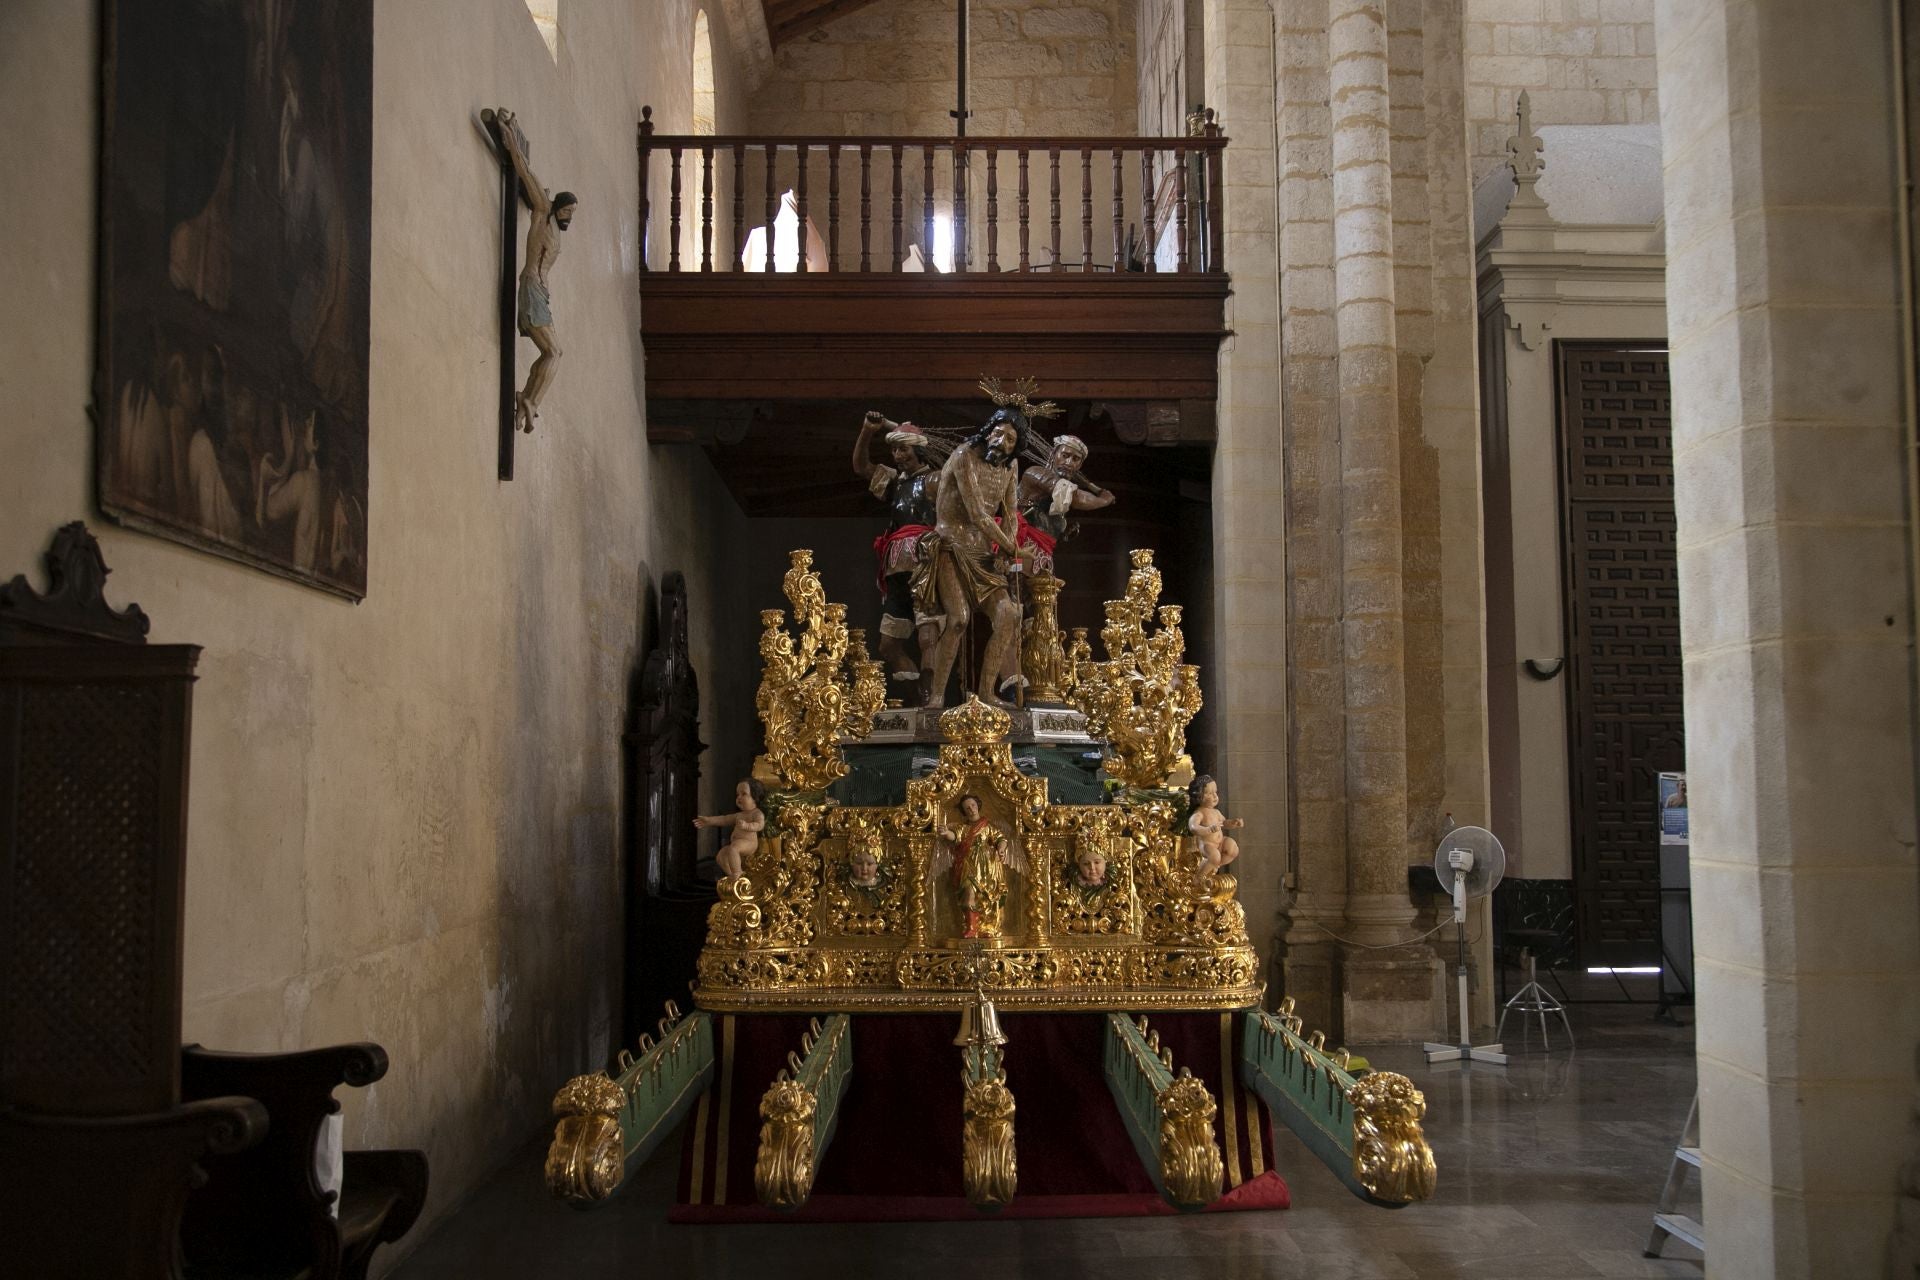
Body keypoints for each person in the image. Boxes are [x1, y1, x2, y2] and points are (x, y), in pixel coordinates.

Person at [913, 408, 1031, 707]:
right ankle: (937, 697)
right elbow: (978, 513)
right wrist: (1011, 548)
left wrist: (1009, 544)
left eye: (1010, 439)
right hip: (951, 546)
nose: (1001, 441)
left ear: (1015, 447)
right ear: (988, 430)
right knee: (958, 620)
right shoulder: (964, 454)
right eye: (998, 431)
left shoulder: (1010, 468)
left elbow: (1011, 513)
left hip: (982, 553)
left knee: (1008, 614)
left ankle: (988, 693)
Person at [493, 108, 576, 434]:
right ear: (556, 206)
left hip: (541, 293)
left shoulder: (556, 230)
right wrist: (510, 134)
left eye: (572, 212)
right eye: (567, 209)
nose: (569, 215)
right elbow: (525, 172)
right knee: (553, 352)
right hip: (530, 287)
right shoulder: (542, 212)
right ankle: (530, 401)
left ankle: (527, 399)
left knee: (555, 353)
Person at [852, 412, 941, 701]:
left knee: (928, 635)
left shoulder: (933, 480)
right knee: (888, 645)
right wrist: (868, 430)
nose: (897, 455)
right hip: (895, 568)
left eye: (903, 448)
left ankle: (929, 696)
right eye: (894, 449)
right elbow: (861, 465)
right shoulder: (894, 482)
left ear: (918, 450)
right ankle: (915, 690)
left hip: (926, 562)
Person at [1017, 434, 1116, 575]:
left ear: (1080, 465)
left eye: (1075, 459)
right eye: (1065, 455)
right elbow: (1075, 497)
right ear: (1053, 454)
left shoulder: (1058, 498)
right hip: (1021, 549)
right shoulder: (1035, 473)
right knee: (1016, 593)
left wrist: (1062, 532)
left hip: (1042, 555)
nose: (1069, 462)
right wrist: (1104, 500)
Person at [938, 794, 1015, 939]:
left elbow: (1001, 839)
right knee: (968, 898)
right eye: (967, 808)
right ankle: (971, 928)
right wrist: (946, 832)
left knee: (988, 898)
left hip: (988, 867)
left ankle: (987, 927)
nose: (971, 809)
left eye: (973, 805)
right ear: (964, 811)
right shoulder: (963, 828)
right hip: (969, 867)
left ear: (977, 805)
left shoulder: (988, 826)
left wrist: (1001, 849)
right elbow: (954, 836)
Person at [694, 778, 768, 882]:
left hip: (749, 843)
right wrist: (709, 821)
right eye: (737, 795)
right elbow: (724, 819)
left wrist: (747, 826)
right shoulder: (739, 815)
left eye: (744, 794)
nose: (739, 798)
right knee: (721, 856)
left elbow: (760, 825)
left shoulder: (756, 813)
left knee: (733, 849)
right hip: (737, 843)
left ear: (755, 798)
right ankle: (733, 876)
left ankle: (737, 873)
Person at [1187, 775, 1243, 888]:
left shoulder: (1216, 812)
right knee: (1215, 856)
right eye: (1209, 793)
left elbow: (1224, 823)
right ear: (1199, 796)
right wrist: (1208, 829)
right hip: (1207, 845)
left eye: (1215, 792)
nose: (1215, 796)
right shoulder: (1199, 813)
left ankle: (1215, 865)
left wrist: (1233, 823)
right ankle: (1199, 878)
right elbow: (1193, 826)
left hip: (1220, 842)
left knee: (1233, 848)